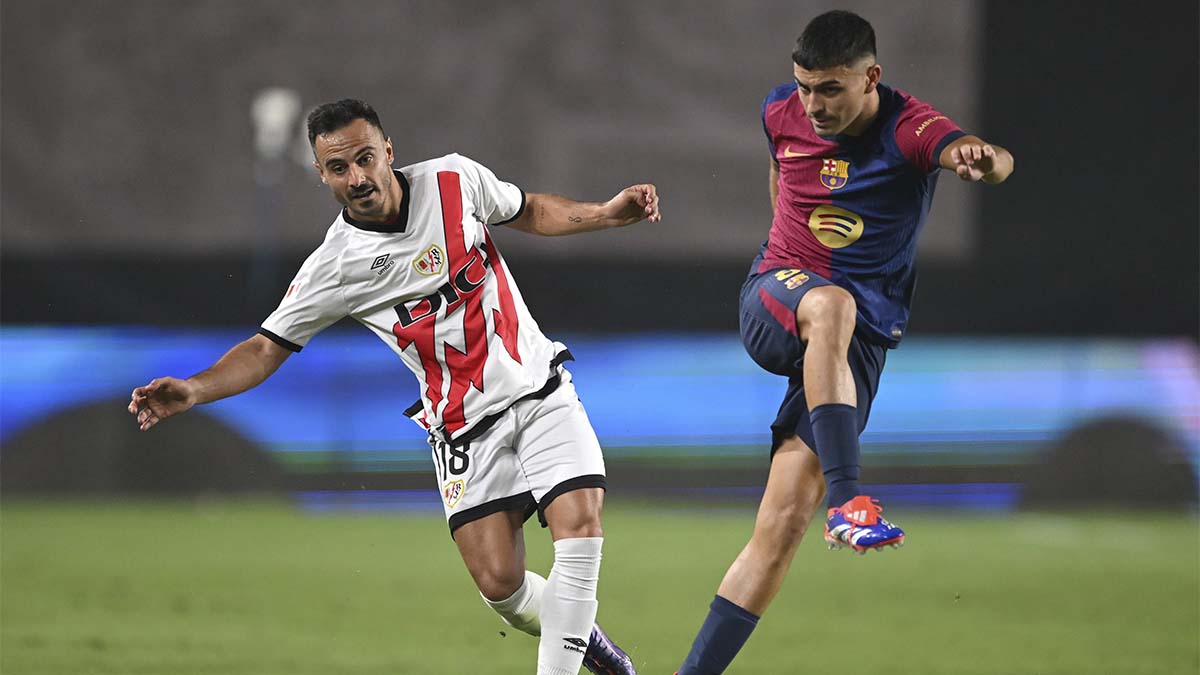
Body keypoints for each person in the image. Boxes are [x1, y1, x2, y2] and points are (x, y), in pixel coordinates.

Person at [129, 99, 660, 675]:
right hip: (461, 428)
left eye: (364, 159)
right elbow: (264, 348)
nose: (357, 178)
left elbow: (528, 209)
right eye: (339, 169)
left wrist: (606, 214)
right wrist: (195, 389)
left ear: (388, 152)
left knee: (578, 529)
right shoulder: (336, 266)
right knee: (502, 587)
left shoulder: (455, 180)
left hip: (538, 389)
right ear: (322, 176)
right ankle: (594, 646)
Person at [675, 10, 1014, 674]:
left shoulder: (912, 128)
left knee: (778, 530)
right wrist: (786, 252)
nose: (813, 104)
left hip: (855, 344)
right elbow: (783, 181)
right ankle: (850, 499)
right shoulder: (780, 112)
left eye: (830, 88)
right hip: (779, 296)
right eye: (804, 87)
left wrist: (984, 159)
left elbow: (990, 159)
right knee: (830, 303)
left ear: (872, 77)